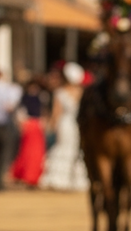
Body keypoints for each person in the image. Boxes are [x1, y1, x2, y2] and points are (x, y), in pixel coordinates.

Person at [41, 62, 90, 191]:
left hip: (65, 124)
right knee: (76, 150)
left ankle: (60, 180)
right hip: (77, 124)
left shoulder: (60, 92)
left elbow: (56, 114)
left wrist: (50, 127)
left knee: (62, 148)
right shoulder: (82, 92)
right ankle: (76, 180)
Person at [10, 76, 47, 187]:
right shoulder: (24, 98)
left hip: (37, 126)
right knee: (26, 153)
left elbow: (43, 112)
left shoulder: (40, 98)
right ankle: (25, 176)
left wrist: (43, 122)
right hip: (29, 126)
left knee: (37, 153)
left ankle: (34, 176)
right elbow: (20, 113)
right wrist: (23, 123)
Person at [0, 68, 22, 190]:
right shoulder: (10, 89)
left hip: (1, 124)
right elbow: (10, 107)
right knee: (3, 155)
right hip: (3, 125)